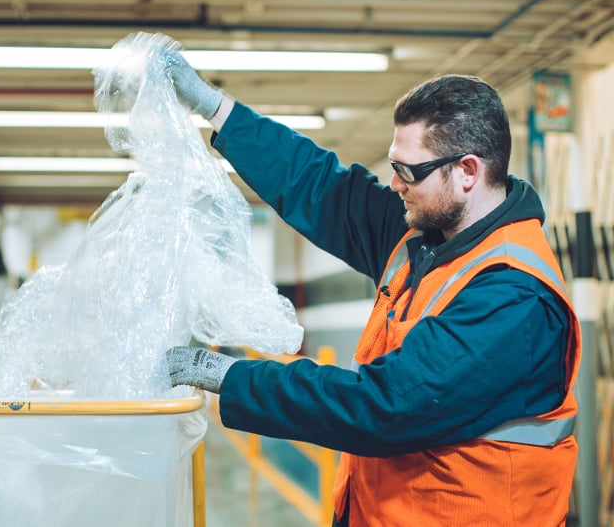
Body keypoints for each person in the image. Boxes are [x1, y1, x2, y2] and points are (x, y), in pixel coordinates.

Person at [161, 45, 581, 526]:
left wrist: (225, 374)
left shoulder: (513, 297)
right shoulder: (425, 234)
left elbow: (383, 405)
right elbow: (322, 186)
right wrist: (215, 108)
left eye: (408, 171)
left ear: (467, 171)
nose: (395, 184)